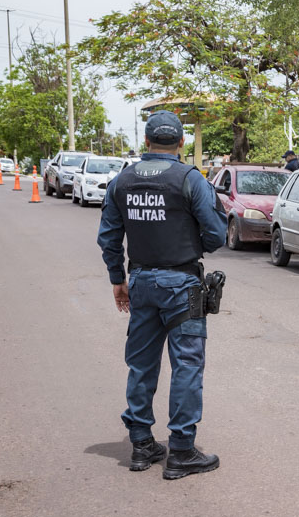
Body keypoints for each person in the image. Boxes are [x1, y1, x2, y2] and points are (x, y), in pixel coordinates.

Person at [97, 111, 228, 480]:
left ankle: (141, 445)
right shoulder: (190, 179)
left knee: (141, 363)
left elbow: (109, 237)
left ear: (146, 142)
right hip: (182, 284)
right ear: (182, 143)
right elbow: (216, 234)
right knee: (187, 365)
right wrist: (191, 245)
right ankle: (182, 451)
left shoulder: (121, 181)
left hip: (140, 282)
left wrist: (117, 280)